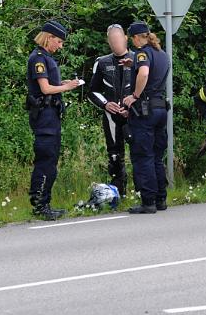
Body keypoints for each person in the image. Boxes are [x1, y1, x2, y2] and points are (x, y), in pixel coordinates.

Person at [26, 20, 80, 220]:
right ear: (48, 38)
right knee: (45, 162)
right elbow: (45, 89)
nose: (61, 45)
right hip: (44, 120)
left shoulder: (47, 58)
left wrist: (62, 83)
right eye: (58, 41)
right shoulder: (38, 58)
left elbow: (51, 84)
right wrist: (67, 87)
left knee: (51, 162)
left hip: (52, 118)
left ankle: (45, 203)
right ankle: (40, 206)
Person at [122, 22, 170, 214]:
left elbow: (144, 73)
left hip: (145, 111)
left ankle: (148, 201)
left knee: (144, 156)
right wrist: (132, 63)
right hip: (160, 109)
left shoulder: (142, 52)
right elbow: (152, 71)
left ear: (136, 38)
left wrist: (134, 96)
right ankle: (161, 199)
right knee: (157, 156)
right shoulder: (162, 54)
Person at [88, 24, 134, 197]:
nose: (115, 43)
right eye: (112, 41)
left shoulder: (137, 59)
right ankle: (119, 194)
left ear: (125, 38)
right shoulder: (102, 62)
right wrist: (106, 104)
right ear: (108, 42)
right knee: (115, 156)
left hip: (133, 115)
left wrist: (132, 107)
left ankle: (145, 193)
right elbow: (92, 91)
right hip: (111, 117)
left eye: (118, 39)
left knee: (140, 152)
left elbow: (146, 90)